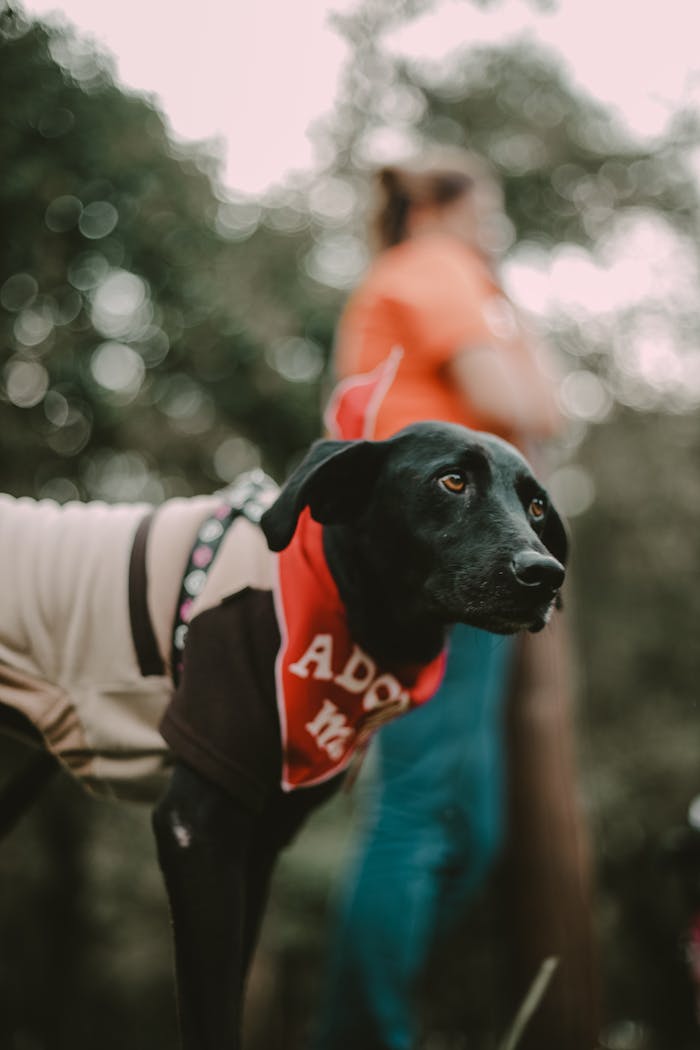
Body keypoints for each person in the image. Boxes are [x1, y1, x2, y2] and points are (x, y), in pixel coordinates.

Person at [311, 148, 599, 1050]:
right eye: (489, 212)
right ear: (443, 210)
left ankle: (379, 1016)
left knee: (467, 824)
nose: (493, 231)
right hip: (443, 560)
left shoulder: (425, 274)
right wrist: (523, 348)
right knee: (422, 809)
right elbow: (517, 400)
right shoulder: (437, 268)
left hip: (465, 556)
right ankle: (366, 1033)